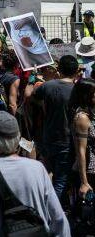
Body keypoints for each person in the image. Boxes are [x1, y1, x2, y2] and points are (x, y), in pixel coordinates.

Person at [31, 54, 78, 202]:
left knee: (48, 173)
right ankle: (51, 210)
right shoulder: (78, 90)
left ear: (59, 69)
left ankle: (38, 202)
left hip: (48, 137)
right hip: (67, 140)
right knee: (61, 180)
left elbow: (33, 97)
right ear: (76, 70)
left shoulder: (47, 86)